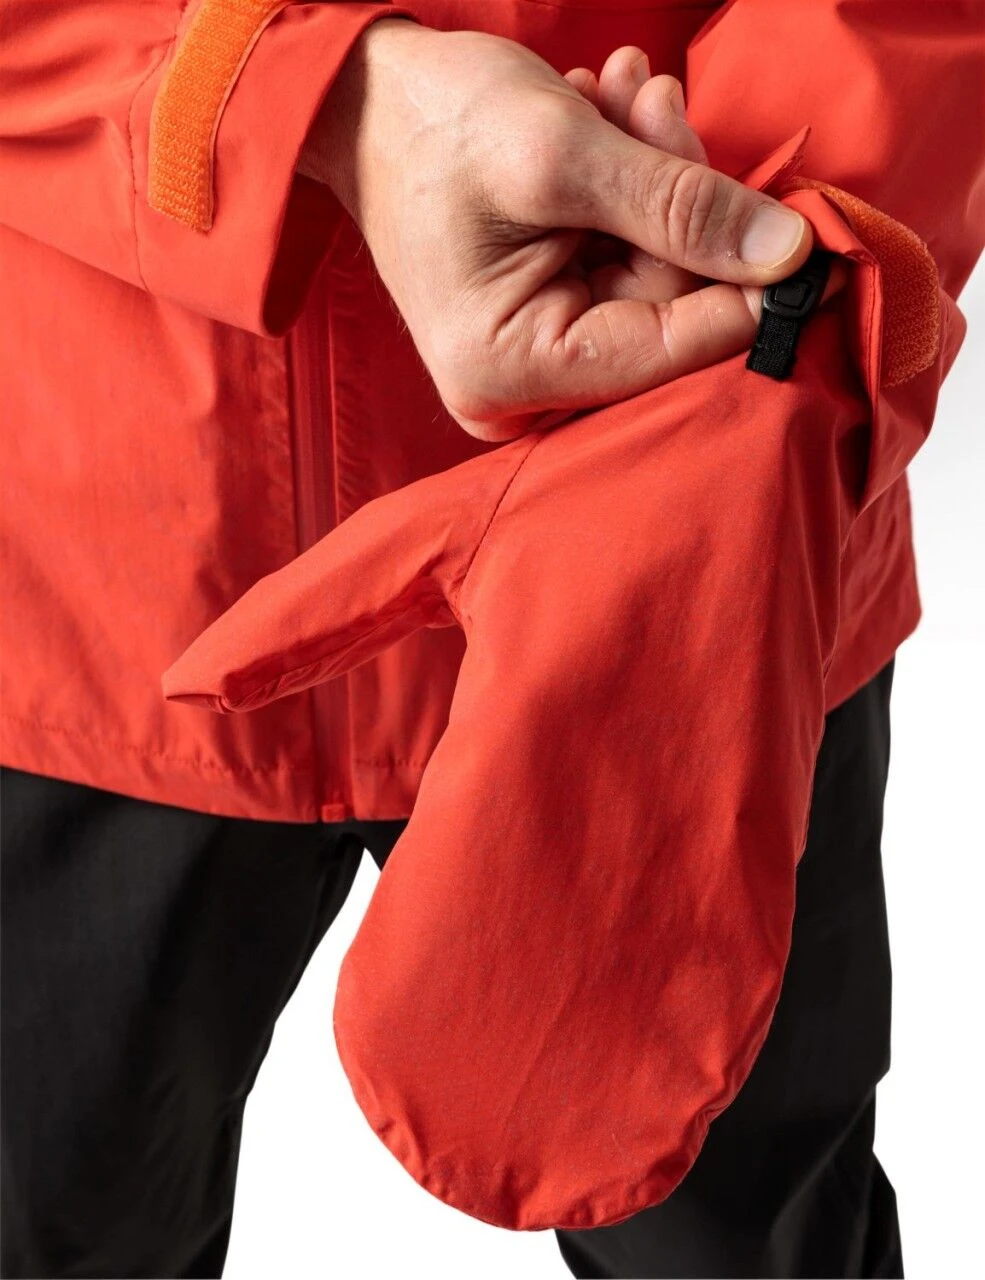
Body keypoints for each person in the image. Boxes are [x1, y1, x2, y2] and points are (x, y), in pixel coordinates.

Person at [1, 4, 982, 1277]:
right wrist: (307, 96)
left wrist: (778, 309)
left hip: (702, 565)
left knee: (755, 1247)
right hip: (88, 592)